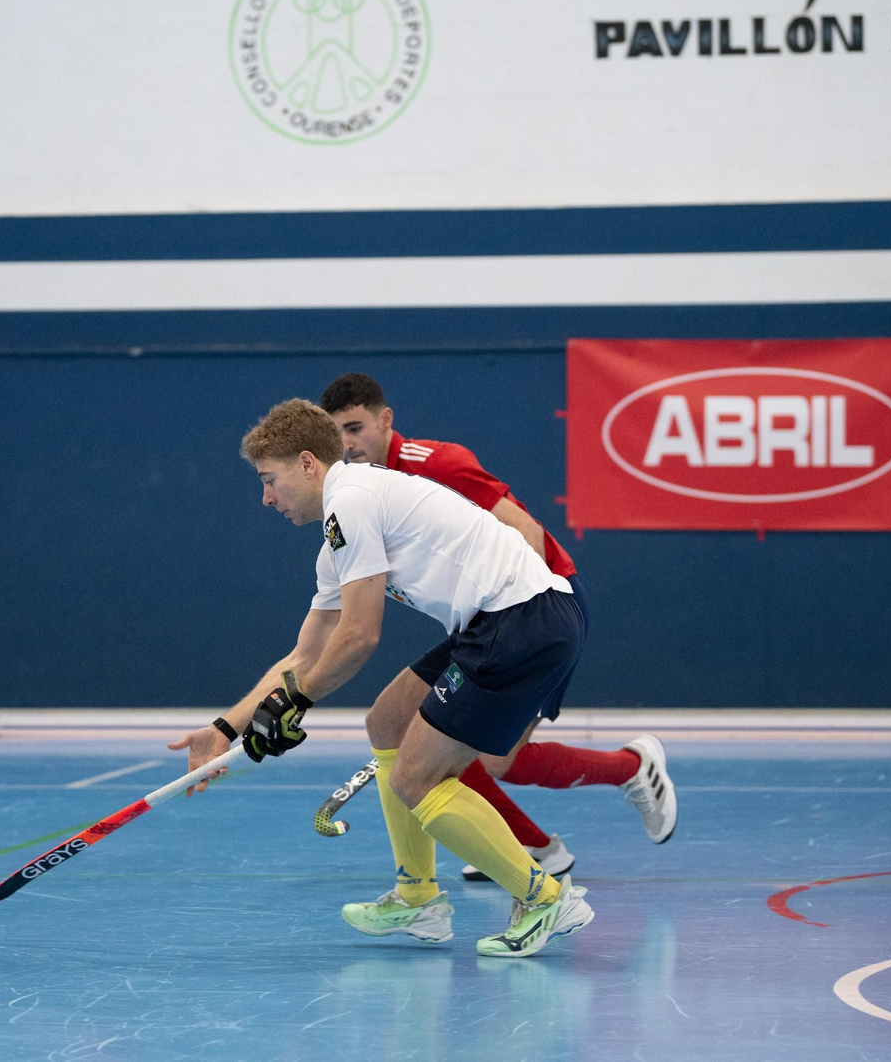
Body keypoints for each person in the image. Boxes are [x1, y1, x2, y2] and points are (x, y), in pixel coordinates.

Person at [171, 398, 594, 957]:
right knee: (388, 721)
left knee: (414, 780)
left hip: (522, 618)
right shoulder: (339, 536)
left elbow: (359, 636)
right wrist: (226, 727)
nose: (266, 497)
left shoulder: (351, 500)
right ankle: (418, 899)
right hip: (499, 621)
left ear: (306, 463)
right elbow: (304, 653)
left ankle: (543, 898)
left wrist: (297, 700)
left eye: (270, 480)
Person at [320, 372, 676, 881]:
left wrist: (511, 622)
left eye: (356, 428)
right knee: (435, 736)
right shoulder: (361, 494)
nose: (349, 445)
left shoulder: (437, 465)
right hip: (487, 621)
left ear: (386, 420)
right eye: (338, 437)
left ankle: (631, 768)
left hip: (537, 606)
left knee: (497, 758)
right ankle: (534, 850)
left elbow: (527, 530)